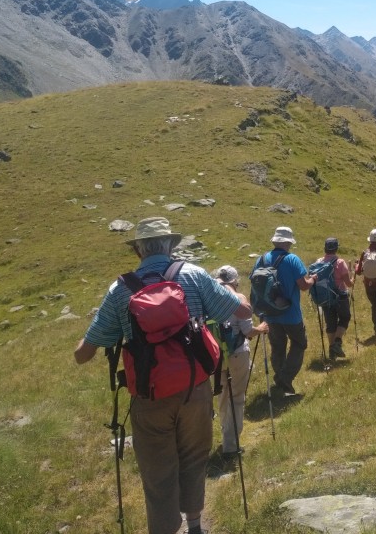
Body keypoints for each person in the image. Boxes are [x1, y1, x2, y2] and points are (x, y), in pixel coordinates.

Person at [74, 216, 251, 534]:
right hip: (195, 387)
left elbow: (84, 353)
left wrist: (84, 346)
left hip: (149, 393)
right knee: (195, 457)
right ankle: (196, 525)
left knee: (158, 470)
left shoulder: (120, 290)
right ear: (170, 245)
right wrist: (238, 296)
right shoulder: (194, 275)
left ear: (138, 250)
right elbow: (241, 313)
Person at [211, 265, 268, 460]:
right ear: (235, 282)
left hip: (215, 357)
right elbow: (248, 332)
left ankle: (225, 429)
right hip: (237, 354)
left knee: (222, 393)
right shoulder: (239, 300)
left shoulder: (209, 299)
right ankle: (231, 444)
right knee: (237, 397)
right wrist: (261, 328)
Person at [250, 226, 313, 397]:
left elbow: (254, 284)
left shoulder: (261, 260)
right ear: (287, 242)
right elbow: (303, 286)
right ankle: (285, 379)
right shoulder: (292, 259)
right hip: (290, 314)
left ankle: (279, 379)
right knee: (299, 343)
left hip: (269, 314)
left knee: (277, 347)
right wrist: (312, 279)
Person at [313, 237, 353, 358]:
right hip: (340, 296)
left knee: (330, 323)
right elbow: (348, 283)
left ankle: (332, 351)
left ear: (325, 248)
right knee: (345, 318)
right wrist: (353, 280)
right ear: (336, 248)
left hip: (325, 297)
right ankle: (337, 342)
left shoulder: (319, 262)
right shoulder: (340, 262)